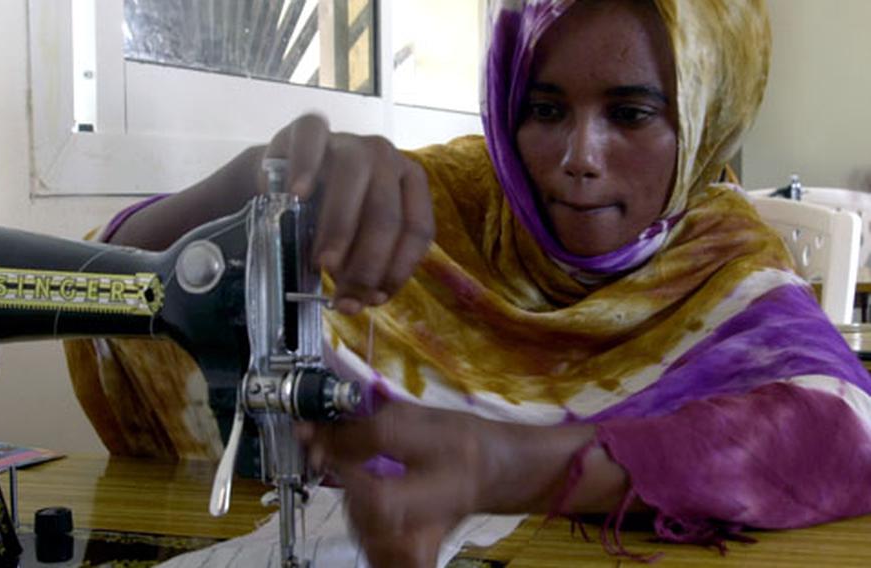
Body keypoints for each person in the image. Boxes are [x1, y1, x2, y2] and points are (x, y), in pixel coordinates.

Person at [64, 0, 871, 565]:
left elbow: (840, 427)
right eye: (544, 109)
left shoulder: (723, 259)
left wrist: (509, 464)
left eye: (630, 115)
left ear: (706, 121)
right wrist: (244, 182)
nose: (577, 157)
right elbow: (107, 289)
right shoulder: (438, 202)